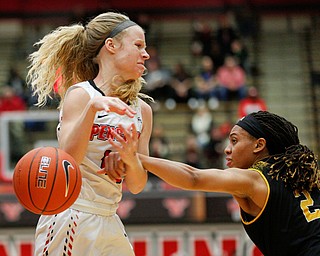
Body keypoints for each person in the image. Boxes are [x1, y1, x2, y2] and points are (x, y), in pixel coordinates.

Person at [26, 11, 153, 255]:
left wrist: (129, 159)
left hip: (109, 215)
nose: (145, 54)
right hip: (72, 213)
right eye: (138, 45)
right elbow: (68, 160)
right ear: (111, 46)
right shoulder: (82, 95)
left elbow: (137, 185)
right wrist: (92, 109)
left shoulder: (142, 110)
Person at [108, 111, 320, 256]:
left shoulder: (255, 178)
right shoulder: (305, 176)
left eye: (235, 141)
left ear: (259, 145)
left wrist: (137, 157)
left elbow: (193, 177)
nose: (227, 149)